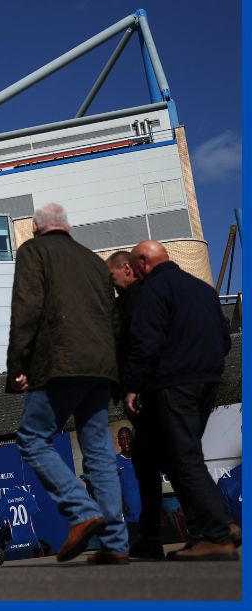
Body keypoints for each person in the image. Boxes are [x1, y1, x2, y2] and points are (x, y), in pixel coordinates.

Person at [7, 203, 128, 565]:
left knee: (32, 438)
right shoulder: (94, 261)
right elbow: (113, 319)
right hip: (101, 366)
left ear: (35, 229)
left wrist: (18, 366)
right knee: (100, 453)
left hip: (59, 362)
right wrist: (116, 370)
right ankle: (115, 544)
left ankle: (81, 510)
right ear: (69, 227)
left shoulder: (33, 251)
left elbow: (26, 309)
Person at [123, 239, 237, 561]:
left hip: (174, 383)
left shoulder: (153, 290)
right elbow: (225, 340)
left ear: (144, 261)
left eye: (135, 265)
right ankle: (210, 530)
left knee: (184, 458)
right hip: (209, 379)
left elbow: (146, 343)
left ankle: (218, 532)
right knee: (184, 455)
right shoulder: (203, 290)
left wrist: (133, 385)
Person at [107, 250, 166, 560]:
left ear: (127, 269)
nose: (110, 282)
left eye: (112, 275)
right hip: (147, 388)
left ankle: (214, 526)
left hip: (147, 389)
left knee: (173, 459)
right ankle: (151, 535)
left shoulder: (137, 300)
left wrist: (132, 386)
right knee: (147, 461)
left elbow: (137, 344)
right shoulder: (133, 300)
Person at [114, 427, 142, 539]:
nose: (126, 440)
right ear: (119, 442)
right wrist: (121, 503)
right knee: (134, 546)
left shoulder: (141, 458)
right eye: (122, 438)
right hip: (128, 516)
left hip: (147, 514)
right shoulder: (115, 461)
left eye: (128, 437)